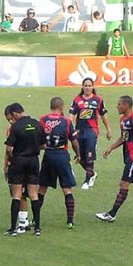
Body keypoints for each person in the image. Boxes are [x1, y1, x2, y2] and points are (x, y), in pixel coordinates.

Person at [95, 95, 133, 223]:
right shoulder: (122, 120)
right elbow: (124, 137)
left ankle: (112, 214)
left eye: (119, 104)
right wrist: (111, 148)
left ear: (126, 105)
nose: (117, 106)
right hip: (129, 157)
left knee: (124, 184)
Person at [38, 97, 81, 229]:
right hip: (62, 155)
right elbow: (74, 141)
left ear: (51, 106)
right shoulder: (66, 121)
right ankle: (70, 221)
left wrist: (41, 147)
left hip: (48, 155)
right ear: (62, 108)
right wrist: (78, 154)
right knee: (67, 188)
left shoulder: (43, 120)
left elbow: (38, 138)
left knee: (42, 188)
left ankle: (35, 218)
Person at [4, 103, 45, 237]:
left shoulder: (16, 127)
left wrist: (12, 157)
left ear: (16, 113)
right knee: (33, 194)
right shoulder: (37, 124)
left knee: (17, 194)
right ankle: (37, 228)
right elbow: (43, 144)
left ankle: (13, 228)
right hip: (33, 160)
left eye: (11, 117)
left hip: (19, 161)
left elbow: (9, 148)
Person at [69, 77, 113, 190]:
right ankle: (92, 173)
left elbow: (103, 116)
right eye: (86, 85)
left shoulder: (98, 100)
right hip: (79, 132)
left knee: (89, 156)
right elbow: (71, 116)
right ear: (82, 87)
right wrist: (69, 128)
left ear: (92, 87)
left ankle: (87, 180)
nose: (87, 88)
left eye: (89, 85)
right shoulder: (77, 100)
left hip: (92, 131)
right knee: (80, 157)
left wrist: (108, 129)